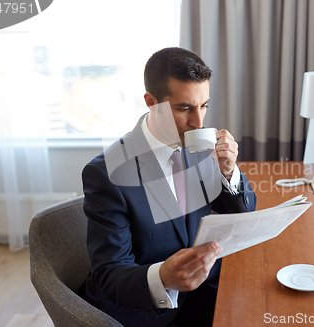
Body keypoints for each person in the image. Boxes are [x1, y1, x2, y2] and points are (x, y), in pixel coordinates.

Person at [80, 47, 257, 327]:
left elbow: (240, 210)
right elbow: (108, 274)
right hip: (145, 312)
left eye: (204, 105)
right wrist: (163, 277)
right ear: (151, 101)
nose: (198, 122)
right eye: (184, 108)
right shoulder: (107, 173)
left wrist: (229, 171)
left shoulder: (198, 145)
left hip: (204, 292)